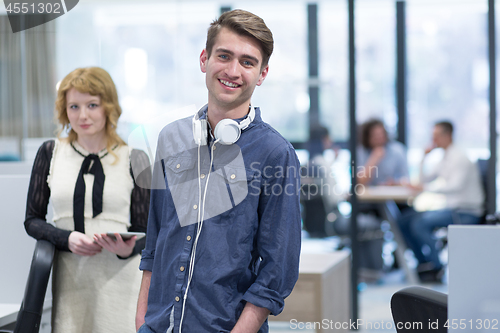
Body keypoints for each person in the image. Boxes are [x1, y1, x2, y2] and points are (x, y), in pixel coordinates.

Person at [136, 9, 301, 333]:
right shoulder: (172, 138)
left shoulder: (275, 154)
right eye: (224, 56)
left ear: (262, 73)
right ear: (204, 59)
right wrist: (143, 319)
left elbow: (277, 267)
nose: (233, 70)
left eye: (247, 62)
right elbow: (156, 239)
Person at [24, 67, 151, 332]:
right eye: (74, 106)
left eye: (92, 105)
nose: (83, 115)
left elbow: (150, 231)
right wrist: (65, 238)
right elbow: (32, 220)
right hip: (71, 278)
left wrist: (129, 248)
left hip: (121, 279)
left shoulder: (136, 158)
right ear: (64, 109)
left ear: (108, 107)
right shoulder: (50, 152)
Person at [398, 121, 484, 282]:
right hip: (450, 208)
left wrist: (425, 188)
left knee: (419, 223)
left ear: (448, 135)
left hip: (465, 211)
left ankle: (435, 266)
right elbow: (424, 178)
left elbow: (455, 186)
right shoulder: (445, 157)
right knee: (403, 220)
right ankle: (423, 263)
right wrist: (424, 157)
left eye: (436, 136)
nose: (433, 141)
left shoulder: (460, 158)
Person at [301, 125, 343, 237]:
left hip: (313, 223)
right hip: (331, 220)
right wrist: (345, 196)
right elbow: (332, 197)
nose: (331, 141)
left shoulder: (310, 163)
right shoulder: (322, 164)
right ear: (323, 140)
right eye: (329, 138)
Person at [357, 119, 409, 186]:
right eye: (375, 136)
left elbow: (406, 179)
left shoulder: (397, 151)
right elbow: (360, 183)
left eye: (381, 134)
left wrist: (395, 183)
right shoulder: (362, 152)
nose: (379, 138)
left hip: (393, 194)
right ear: (367, 138)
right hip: (370, 195)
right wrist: (373, 159)